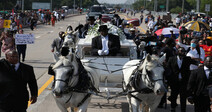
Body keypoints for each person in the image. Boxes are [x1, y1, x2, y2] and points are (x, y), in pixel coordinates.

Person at [167, 47, 198, 112]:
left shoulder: (187, 59)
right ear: (177, 52)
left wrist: (200, 64)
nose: (182, 52)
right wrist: (169, 78)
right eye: (181, 51)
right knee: (174, 95)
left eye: (183, 51)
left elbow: (196, 62)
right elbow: (168, 68)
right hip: (174, 81)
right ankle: (173, 108)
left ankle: (183, 110)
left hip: (184, 81)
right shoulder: (172, 59)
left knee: (183, 97)